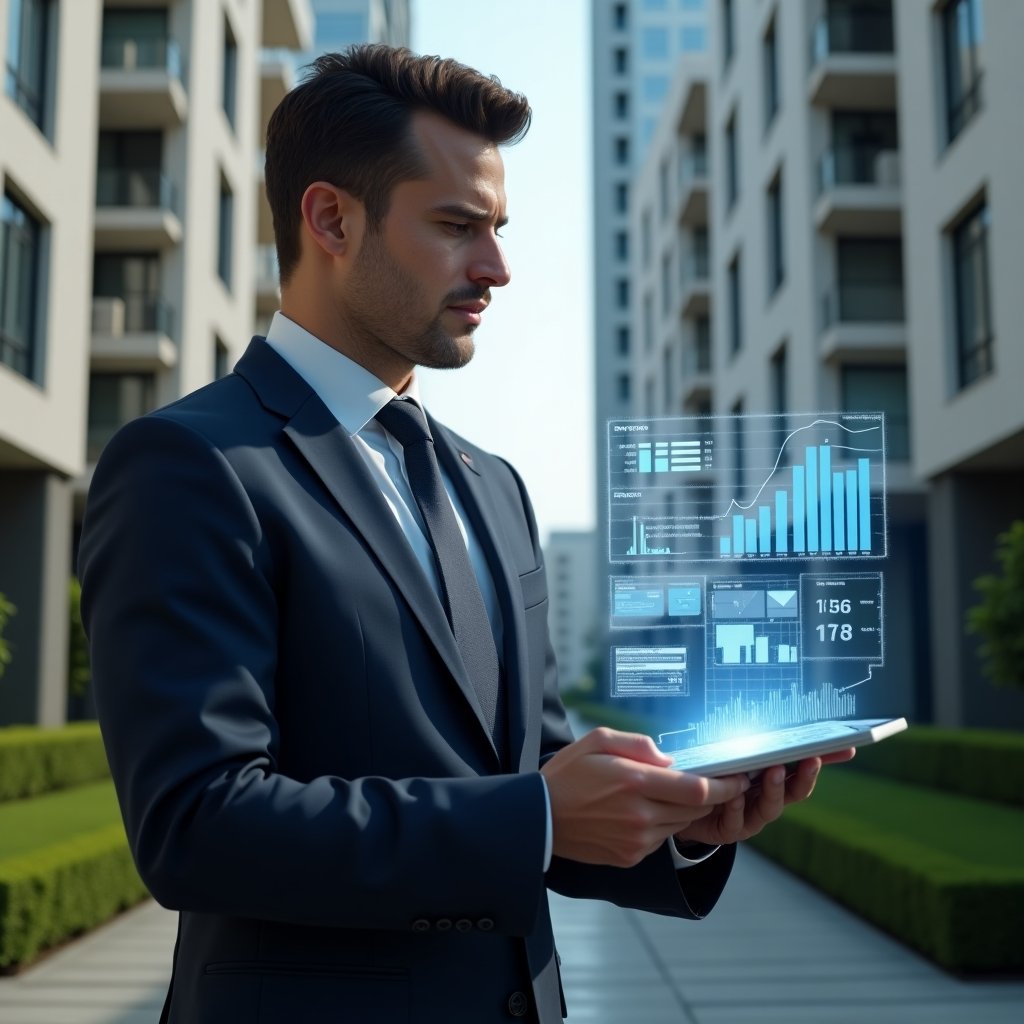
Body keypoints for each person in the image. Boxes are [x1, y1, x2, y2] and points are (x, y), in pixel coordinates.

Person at [78, 45, 851, 1024]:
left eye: (498, 228)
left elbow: (529, 772)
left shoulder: (494, 486)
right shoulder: (189, 464)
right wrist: (534, 816)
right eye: (456, 227)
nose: (497, 268)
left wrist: (687, 816)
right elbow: (197, 822)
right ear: (330, 220)